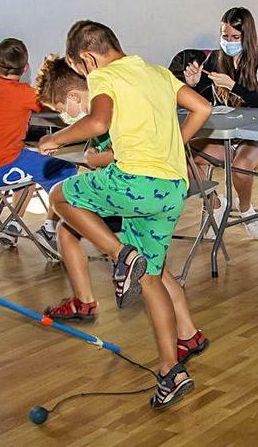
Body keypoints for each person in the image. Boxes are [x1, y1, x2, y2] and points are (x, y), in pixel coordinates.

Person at [38, 21, 212, 409]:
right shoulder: (157, 73)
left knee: (58, 197)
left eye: (81, 69)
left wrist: (55, 139)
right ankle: (171, 371)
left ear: (85, 58)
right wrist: (172, 144)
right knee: (150, 278)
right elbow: (202, 107)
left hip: (134, 180)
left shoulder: (104, 77)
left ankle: (120, 256)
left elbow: (99, 122)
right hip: (172, 187)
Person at [0, 38, 77, 256]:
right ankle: (50, 228)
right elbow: (53, 105)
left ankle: (13, 225)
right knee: (66, 170)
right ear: (25, 68)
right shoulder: (26, 94)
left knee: (26, 173)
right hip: (1, 169)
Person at [183, 6, 258, 240]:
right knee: (187, 159)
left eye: (235, 37)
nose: (229, 42)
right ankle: (215, 204)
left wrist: (233, 86)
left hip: (257, 134)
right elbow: (204, 103)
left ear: (248, 37)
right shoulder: (214, 59)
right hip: (224, 132)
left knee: (241, 166)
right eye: (225, 36)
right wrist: (193, 84)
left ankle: (245, 207)